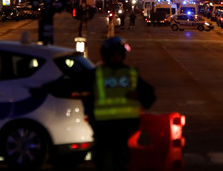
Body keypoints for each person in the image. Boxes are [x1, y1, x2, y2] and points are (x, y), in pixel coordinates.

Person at [32, 36, 156, 171]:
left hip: (117, 128)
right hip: (108, 128)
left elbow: (149, 95)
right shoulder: (106, 74)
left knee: (111, 160)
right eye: (114, 54)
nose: (116, 58)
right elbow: (71, 84)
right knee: (112, 160)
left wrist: (139, 96)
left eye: (119, 54)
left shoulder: (125, 74)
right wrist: (45, 88)